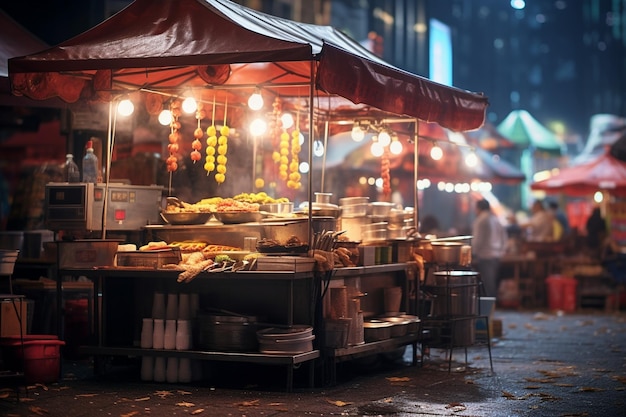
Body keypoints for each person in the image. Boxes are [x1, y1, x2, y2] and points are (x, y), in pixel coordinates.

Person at [472, 199, 508, 297]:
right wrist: (502, 252)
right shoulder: (495, 219)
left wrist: (473, 253)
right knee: (492, 282)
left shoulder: (480, 220)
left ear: (479, 208)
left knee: (488, 284)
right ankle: (492, 306)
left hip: (485, 256)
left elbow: (477, 240)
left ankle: (490, 307)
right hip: (496, 255)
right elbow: (504, 238)